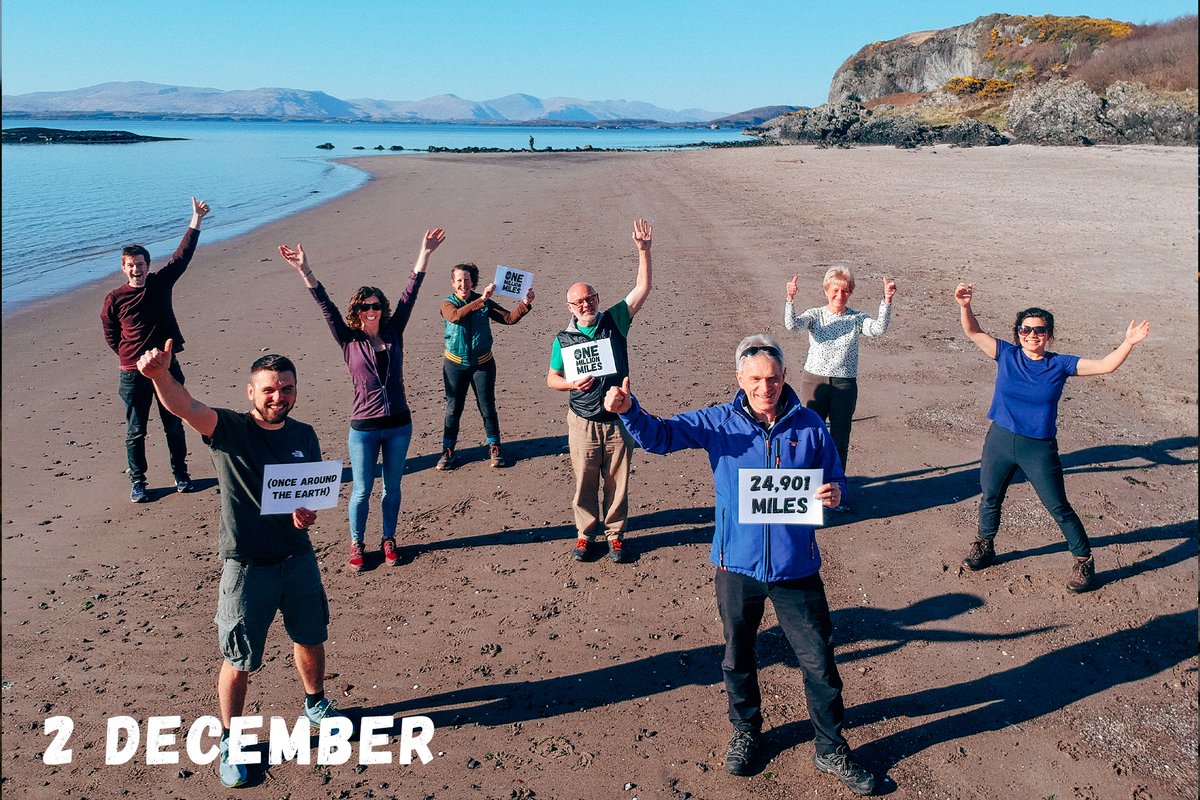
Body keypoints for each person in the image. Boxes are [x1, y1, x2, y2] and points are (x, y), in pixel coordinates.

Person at [603, 334, 875, 794]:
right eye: (755, 380)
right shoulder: (718, 422)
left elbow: (836, 477)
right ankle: (747, 733)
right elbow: (662, 436)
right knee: (737, 657)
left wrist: (836, 493)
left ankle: (830, 748)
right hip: (736, 565)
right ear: (739, 379)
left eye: (772, 378)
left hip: (797, 568)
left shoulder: (810, 425)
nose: (765, 388)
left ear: (785, 376)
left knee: (819, 663)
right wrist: (630, 410)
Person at [136, 343, 347, 789]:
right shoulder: (228, 428)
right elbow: (185, 406)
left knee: (310, 636)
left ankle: (316, 704)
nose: (278, 396)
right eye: (269, 389)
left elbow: (305, 493)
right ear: (251, 391)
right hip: (247, 566)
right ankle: (231, 739)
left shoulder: (304, 434)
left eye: (286, 389)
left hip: (298, 558)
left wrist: (304, 512)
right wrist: (159, 375)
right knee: (239, 658)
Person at [954, 283, 1150, 593]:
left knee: (1058, 506)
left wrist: (1128, 343)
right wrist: (965, 306)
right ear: (1018, 332)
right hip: (1000, 439)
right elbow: (974, 332)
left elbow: (1105, 366)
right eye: (1026, 329)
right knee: (990, 496)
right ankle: (984, 546)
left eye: (1040, 330)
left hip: (1038, 448)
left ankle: (1084, 561)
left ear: (1050, 335)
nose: (1032, 335)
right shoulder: (1007, 354)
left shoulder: (1059, 364)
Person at [279, 229, 445, 572]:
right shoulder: (347, 338)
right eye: (365, 306)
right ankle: (357, 542)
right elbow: (324, 304)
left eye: (376, 306)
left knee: (393, 488)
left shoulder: (393, 330)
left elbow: (410, 293)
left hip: (399, 423)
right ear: (357, 310)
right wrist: (304, 270)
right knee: (361, 490)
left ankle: (389, 539)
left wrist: (424, 253)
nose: (372, 310)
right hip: (364, 426)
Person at [546, 218, 652, 564]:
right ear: (569, 308)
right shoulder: (563, 340)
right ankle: (584, 533)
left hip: (619, 417)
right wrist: (571, 383)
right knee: (584, 479)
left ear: (596, 299)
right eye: (578, 302)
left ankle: (616, 533)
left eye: (589, 299)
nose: (585, 305)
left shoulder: (615, 320)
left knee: (617, 479)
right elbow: (551, 379)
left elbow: (642, 289)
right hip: (581, 419)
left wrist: (643, 251)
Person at [101, 197, 210, 502]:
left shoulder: (160, 284)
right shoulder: (114, 298)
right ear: (124, 268)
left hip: (167, 367)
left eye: (141, 264)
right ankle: (139, 482)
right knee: (136, 430)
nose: (136, 269)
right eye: (131, 265)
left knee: (174, 424)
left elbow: (181, 257)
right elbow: (111, 334)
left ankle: (181, 474)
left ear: (148, 265)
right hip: (133, 373)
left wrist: (196, 220)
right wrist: (130, 355)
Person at [784, 266, 896, 512]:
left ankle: (834, 493)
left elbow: (877, 329)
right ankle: (804, 491)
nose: (840, 295)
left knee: (840, 439)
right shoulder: (815, 315)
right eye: (835, 290)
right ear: (827, 291)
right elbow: (792, 326)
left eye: (845, 291)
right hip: (814, 381)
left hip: (845, 384)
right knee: (809, 435)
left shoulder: (856, 318)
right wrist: (790, 299)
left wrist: (887, 301)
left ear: (850, 293)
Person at [437, 262, 535, 470]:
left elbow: (508, 318)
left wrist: (525, 303)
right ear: (453, 283)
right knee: (453, 409)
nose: (464, 284)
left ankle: (495, 446)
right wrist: (481, 300)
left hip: (483, 365)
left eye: (467, 280)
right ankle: (448, 450)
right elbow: (455, 317)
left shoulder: (485, 303)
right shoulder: (447, 304)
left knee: (487, 407)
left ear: (473, 282)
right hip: (454, 365)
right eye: (459, 280)